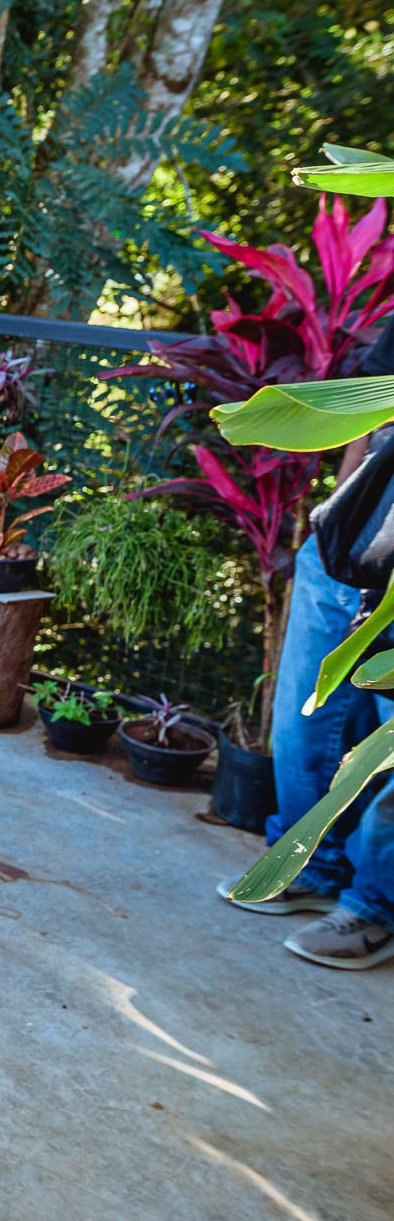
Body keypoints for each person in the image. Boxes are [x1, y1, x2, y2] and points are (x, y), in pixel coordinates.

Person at [220, 320, 394, 970]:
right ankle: (309, 866)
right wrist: (336, 526)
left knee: (389, 747)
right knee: (306, 715)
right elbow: (364, 408)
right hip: (355, 537)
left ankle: (375, 905)